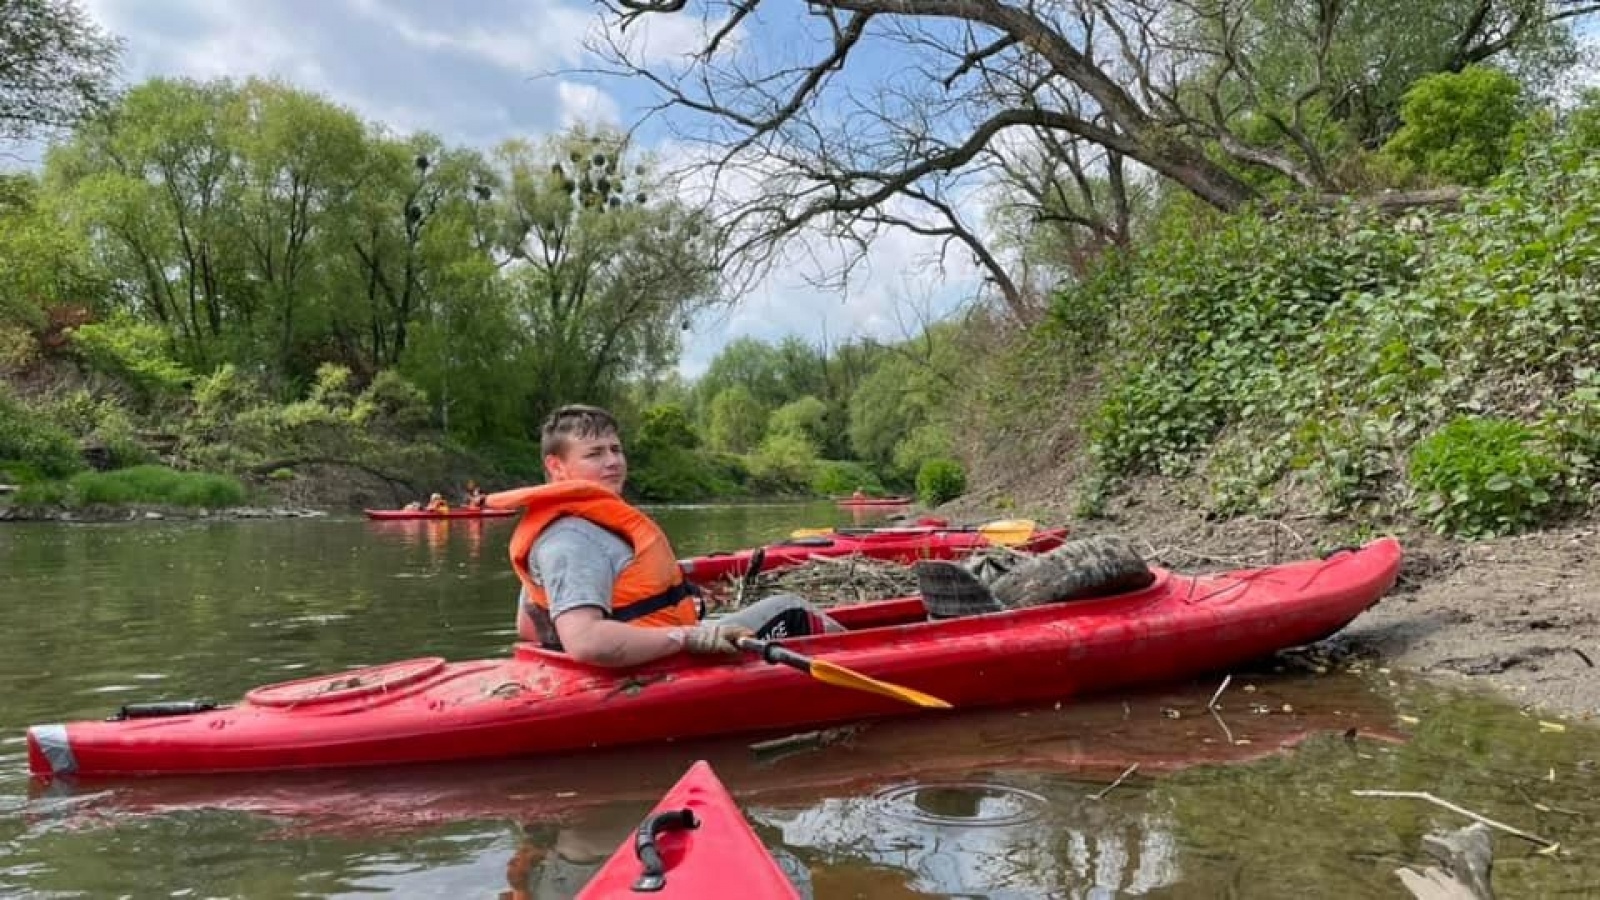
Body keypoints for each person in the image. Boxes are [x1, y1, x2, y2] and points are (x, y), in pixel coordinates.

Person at [487, 404, 839, 667]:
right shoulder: (573, 539)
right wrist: (684, 637)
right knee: (791, 609)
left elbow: (530, 627)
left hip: (648, 653)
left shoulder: (564, 524)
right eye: (595, 454)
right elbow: (587, 643)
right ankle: (870, 675)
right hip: (655, 668)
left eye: (616, 449)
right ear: (556, 466)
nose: (613, 461)